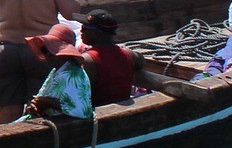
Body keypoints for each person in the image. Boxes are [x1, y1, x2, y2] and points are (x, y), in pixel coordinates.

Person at [73, 8, 211, 106]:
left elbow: (81, 95)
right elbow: (140, 62)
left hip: (100, 112)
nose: (81, 31)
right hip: (120, 104)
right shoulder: (129, 55)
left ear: (97, 34)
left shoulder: (88, 60)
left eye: (85, 29)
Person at [27, 26, 93, 120]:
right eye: (45, 50)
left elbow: (81, 112)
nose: (48, 54)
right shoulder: (57, 70)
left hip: (65, 129)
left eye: (53, 49)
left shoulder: (73, 75)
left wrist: (48, 103)